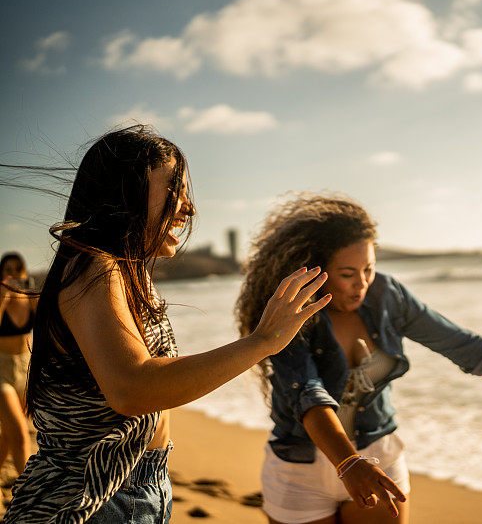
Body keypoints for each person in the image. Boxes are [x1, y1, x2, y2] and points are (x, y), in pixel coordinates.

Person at [2, 125, 331, 523]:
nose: (188, 209)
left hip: (137, 485)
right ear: (124, 193)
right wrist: (261, 342)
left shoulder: (126, 272)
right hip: (93, 498)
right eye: (175, 193)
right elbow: (132, 388)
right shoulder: (94, 267)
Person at [235, 193, 482, 524]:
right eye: (347, 274)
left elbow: (462, 346)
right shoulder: (286, 311)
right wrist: (348, 463)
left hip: (378, 455)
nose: (362, 282)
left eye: (368, 269)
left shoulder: (387, 296)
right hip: (302, 468)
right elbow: (307, 394)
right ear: (315, 269)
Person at [0, 252, 37, 476]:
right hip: (1, 371)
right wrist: (3, 298)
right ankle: (27, 494)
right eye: (8, 270)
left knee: (7, 435)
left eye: (17, 269)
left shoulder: (30, 298)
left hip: (26, 370)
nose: (13, 274)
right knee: (20, 433)